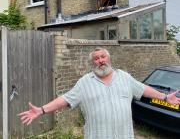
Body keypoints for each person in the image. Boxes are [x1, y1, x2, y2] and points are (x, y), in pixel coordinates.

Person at [19, 47, 180, 139]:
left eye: (103, 57)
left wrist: (165, 97)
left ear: (108, 59)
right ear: (92, 63)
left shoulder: (124, 77)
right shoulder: (84, 82)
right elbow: (65, 99)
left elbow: (143, 89)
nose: (100, 60)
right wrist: (41, 110)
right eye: (96, 58)